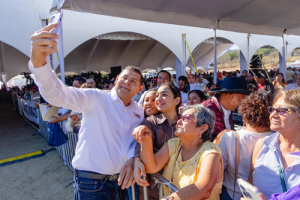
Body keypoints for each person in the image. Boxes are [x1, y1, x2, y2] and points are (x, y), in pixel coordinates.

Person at [29, 23, 145, 200]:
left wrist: (131, 159)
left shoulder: (139, 111)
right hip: (91, 184)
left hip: (120, 184)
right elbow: (59, 95)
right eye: (124, 78)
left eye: (133, 81)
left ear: (140, 89)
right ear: (116, 81)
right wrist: (39, 63)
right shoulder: (96, 97)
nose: (127, 82)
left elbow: (133, 141)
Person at [133, 105, 223, 200]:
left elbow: (203, 189)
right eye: (180, 117)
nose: (179, 121)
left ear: (202, 128)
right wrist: (146, 139)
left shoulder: (211, 152)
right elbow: (151, 167)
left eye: (186, 118)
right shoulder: (174, 144)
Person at [215, 92, 273, 200]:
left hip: (232, 194)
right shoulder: (279, 139)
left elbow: (216, 172)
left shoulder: (230, 137)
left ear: (245, 112)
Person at [249, 90, 300, 199]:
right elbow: (250, 184)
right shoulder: (263, 145)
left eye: (282, 110)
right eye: (272, 109)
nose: (273, 114)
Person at [134, 83, 181, 200]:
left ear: (176, 100)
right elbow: (139, 144)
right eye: (158, 95)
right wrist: (136, 159)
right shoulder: (150, 122)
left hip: (180, 183)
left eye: (164, 95)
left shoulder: (186, 122)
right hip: (153, 188)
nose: (159, 99)